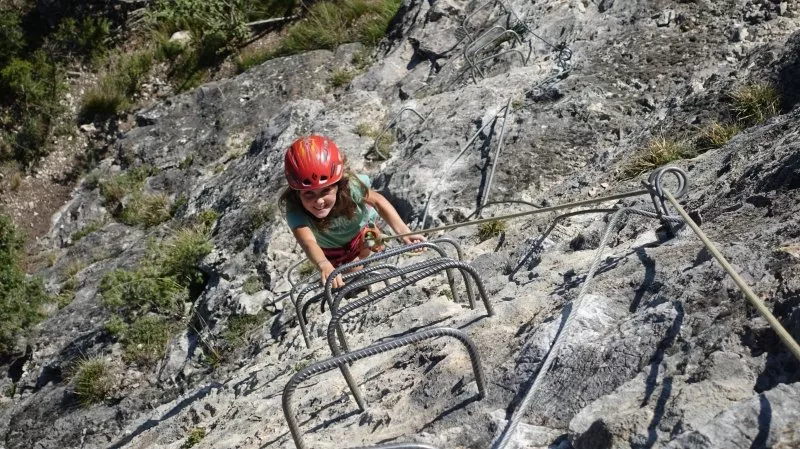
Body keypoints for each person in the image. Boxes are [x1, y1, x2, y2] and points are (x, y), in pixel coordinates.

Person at [280, 135, 425, 289]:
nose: (319, 201)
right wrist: (323, 264)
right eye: (309, 193)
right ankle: (361, 268)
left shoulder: (350, 187)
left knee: (375, 245)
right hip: (333, 249)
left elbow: (378, 201)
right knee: (354, 271)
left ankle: (374, 242)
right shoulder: (295, 210)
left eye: (326, 191)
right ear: (297, 193)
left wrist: (404, 231)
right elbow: (308, 242)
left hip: (360, 230)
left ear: (337, 185)